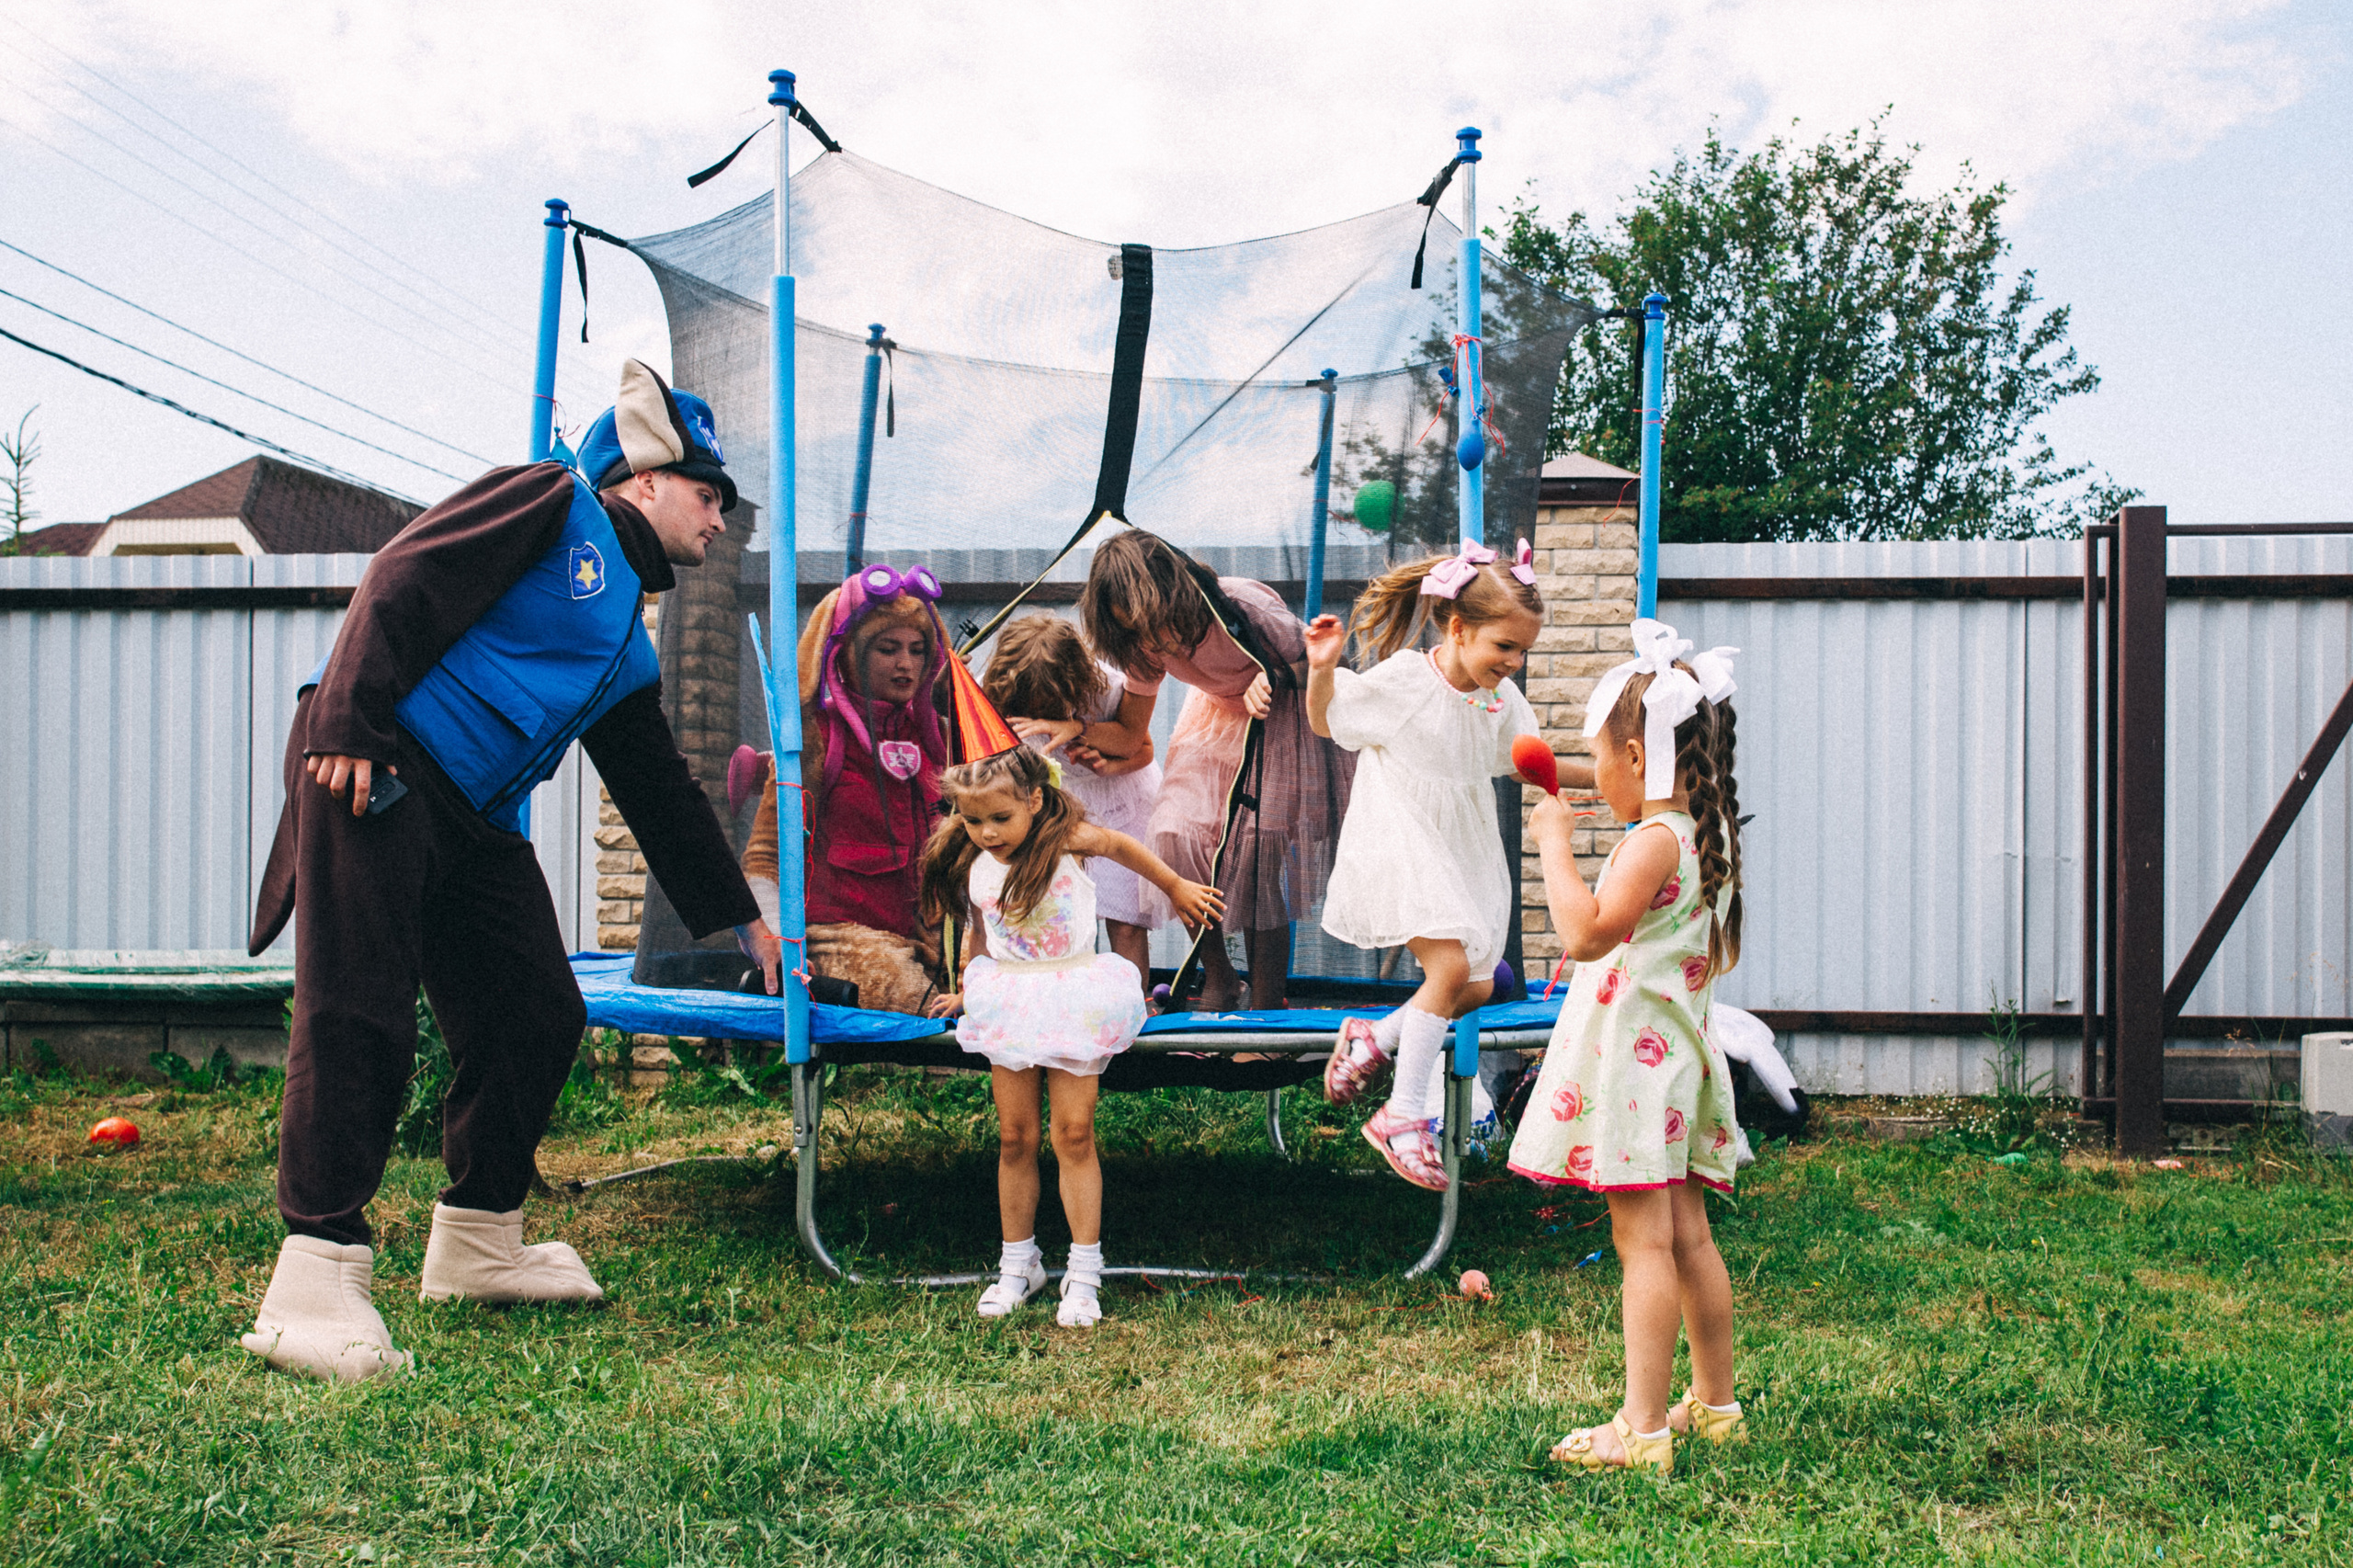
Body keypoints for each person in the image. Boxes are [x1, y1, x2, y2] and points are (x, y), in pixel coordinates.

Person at [239, 360, 780, 1382]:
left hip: (471, 811)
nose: (719, 522)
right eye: (709, 496)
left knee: (537, 1008)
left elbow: (658, 787)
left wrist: (741, 918)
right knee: (360, 1009)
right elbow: (402, 572)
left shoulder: (629, 640)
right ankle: (312, 1277)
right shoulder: (549, 499)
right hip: (379, 759)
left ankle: (480, 1240)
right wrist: (349, 719)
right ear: (647, 479)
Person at [1506, 619, 1746, 1473]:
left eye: (1601, 759)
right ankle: (1715, 1405)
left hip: (1638, 1074)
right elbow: (1599, 777)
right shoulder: (1698, 835)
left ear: (1641, 762)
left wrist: (1553, 849)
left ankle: (1640, 1428)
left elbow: (1586, 934)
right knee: (1689, 1240)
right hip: (1675, 1064)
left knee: (1641, 1245)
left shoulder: (1648, 844)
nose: (1593, 773)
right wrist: (1546, 772)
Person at [919, 747, 1222, 1327]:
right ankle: (1019, 1265)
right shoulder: (977, 858)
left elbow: (1121, 846)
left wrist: (1177, 885)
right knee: (1015, 1137)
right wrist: (968, 987)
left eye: (999, 818)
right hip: (1009, 998)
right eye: (972, 819)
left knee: (1074, 1134)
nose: (986, 832)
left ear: (1034, 800)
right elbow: (984, 930)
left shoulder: (1064, 840)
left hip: (1073, 995)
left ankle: (1084, 1273)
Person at [1307, 540, 1544, 1188]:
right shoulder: (1409, 680)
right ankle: (1403, 1114)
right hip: (1400, 829)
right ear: (1460, 628)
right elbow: (1327, 723)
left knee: (1478, 982)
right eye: (1504, 647)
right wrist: (1324, 668)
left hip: (1460, 840)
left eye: (1523, 651)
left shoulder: (1498, 701)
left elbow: (1531, 761)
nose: (1515, 663)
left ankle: (1375, 1039)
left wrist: (1617, 781)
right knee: (1448, 967)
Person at [1077, 528, 1351, 1011]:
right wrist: (1064, 730)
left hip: (1280, 718)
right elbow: (1128, 731)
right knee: (1173, 832)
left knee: (1258, 848)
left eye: (1154, 623)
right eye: (1134, 631)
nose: (1151, 641)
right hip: (1214, 717)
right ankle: (1219, 977)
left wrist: (1276, 675)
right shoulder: (1144, 644)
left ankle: (1267, 1003)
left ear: (1176, 590)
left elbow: (1329, 664)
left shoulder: (1242, 607)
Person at [741, 562, 949, 1014]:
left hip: (928, 935)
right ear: (847, 652)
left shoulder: (938, 736)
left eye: (917, 650)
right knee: (921, 1005)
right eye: (887, 648)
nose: (906, 664)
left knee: (995, 992)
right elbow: (763, 857)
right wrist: (776, 938)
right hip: (835, 935)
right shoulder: (814, 738)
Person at [983, 612, 1165, 991]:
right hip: (1055, 808)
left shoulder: (1108, 690)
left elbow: (1143, 750)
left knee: (1124, 917)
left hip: (1121, 803)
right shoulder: (999, 695)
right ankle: (1069, 996)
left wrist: (1106, 764)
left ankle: (1133, 1005)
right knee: (1061, 910)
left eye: (1047, 707)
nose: (1038, 716)